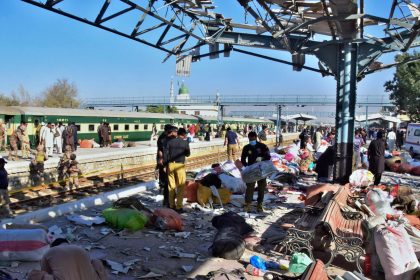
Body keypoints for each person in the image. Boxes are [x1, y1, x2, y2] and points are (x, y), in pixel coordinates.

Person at [27, 238, 107, 280]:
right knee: (96, 262)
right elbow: (91, 264)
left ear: (54, 246)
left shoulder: (50, 251)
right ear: (68, 243)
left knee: (33, 274)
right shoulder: (81, 249)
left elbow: (45, 271)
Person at [241, 131, 271, 212]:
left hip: (261, 170)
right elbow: (243, 159)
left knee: (261, 188)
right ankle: (248, 204)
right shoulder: (247, 147)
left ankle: (259, 204)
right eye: (250, 139)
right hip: (251, 171)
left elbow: (268, 156)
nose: (251, 141)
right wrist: (247, 167)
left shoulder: (263, 146)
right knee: (250, 188)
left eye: (252, 139)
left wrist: (262, 158)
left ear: (256, 137)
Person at [166, 127, 190, 212]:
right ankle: (179, 207)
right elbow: (188, 154)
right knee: (180, 186)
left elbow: (166, 154)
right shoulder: (185, 142)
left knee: (171, 186)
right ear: (183, 135)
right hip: (180, 166)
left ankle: (171, 205)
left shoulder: (170, 142)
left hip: (170, 165)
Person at [156, 124, 172, 207]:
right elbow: (160, 149)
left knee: (165, 177)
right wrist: (161, 159)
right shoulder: (162, 138)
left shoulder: (167, 136)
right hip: (163, 159)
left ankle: (165, 192)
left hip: (165, 159)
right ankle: (163, 189)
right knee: (163, 176)